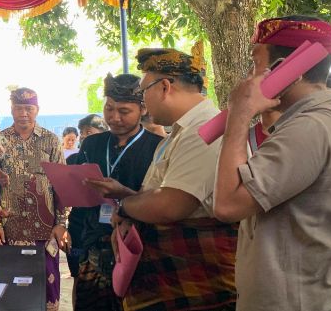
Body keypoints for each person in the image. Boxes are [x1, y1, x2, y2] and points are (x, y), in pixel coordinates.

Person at [214, 16, 331, 311]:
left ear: (289, 72)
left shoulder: (311, 127)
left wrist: (239, 114)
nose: (250, 76)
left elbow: (227, 205)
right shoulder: (320, 121)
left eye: (255, 63)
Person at [89, 47, 236, 310]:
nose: (143, 102)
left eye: (143, 92)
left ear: (165, 87)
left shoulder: (204, 131)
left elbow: (171, 205)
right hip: (172, 278)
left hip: (195, 279)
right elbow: (163, 196)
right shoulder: (180, 134)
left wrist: (125, 207)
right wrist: (127, 195)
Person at [68, 74, 163, 311]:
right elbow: (80, 198)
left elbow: (161, 199)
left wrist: (123, 193)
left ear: (142, 109)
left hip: (137, 249)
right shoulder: (92, 144)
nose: (114, 117)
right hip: (93, 245)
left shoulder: (158, 146)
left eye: (124, 111)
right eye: (109, 109)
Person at [0, 87, 66, 311]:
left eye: (28, 108)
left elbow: (61, 184)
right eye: (19, 108)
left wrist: (62, 223)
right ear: (12, 110)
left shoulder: (51, 141)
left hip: (45, 228)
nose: (24, 113)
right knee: (11, 288)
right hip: (8, 229)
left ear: (37, 110)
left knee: (47, 288)